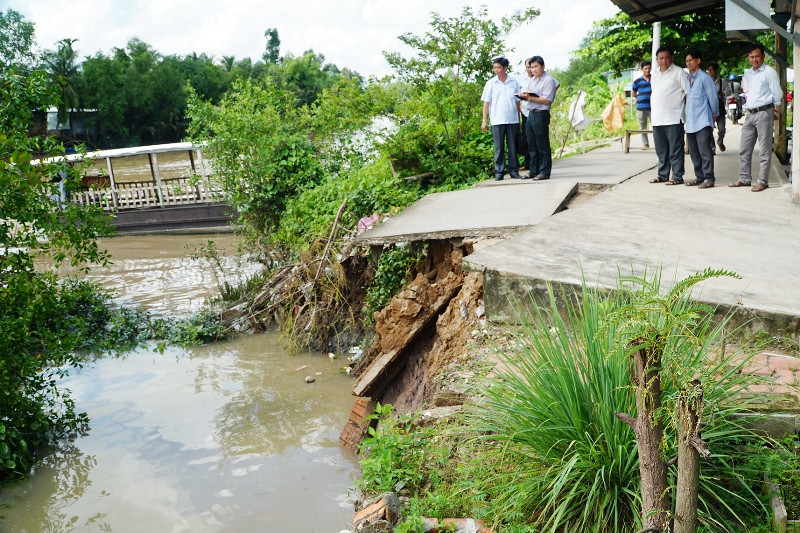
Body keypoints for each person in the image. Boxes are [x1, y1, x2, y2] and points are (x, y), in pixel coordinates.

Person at [731, 43, 782, 192]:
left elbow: (777, 93)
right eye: (751, 57)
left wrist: (776, 109)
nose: (754, 59)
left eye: (757, 56)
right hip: (750, 113)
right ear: (748, 58)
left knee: (764, 149)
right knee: (744, 148)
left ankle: (763, 181)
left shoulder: (769, 72)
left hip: (764, 113)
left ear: (763, 56)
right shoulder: (748, 74)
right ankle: (744, 178)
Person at [649, 46, 687, 185]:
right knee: (661, 150)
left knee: (676, 149)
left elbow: (688, 93)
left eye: (667, 57)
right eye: (661, 58)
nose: (664, 60)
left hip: (674, 117)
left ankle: (677, 176)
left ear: (672, 58)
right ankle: (662, 174)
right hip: (657, 118)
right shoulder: (654, 74)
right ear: (657, 59)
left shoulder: (679, 72)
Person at [481, 56, 522, 180]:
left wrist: (519, 118)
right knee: (499, 148)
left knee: (513, 146)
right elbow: (486, 103)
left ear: (505, 68)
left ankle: (514, 170)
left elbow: (517, 102)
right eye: (494, 68)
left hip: (512, 119)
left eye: (499, 67)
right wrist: (484, 120)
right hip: (497, 120)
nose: (496, 70)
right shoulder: (491, 83)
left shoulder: (514, 82)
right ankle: (499, 172)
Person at [518, 55, 557, 180]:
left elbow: (546, 100)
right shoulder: (532, 80)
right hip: (530, 113)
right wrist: (523, 96)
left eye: (536, 66)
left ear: (543, 66)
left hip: (541, 113)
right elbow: (529, 94)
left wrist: (530, 98)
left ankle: (544, 171)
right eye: (531, 67)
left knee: (542, 144)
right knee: (531, 144)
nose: (533, 70)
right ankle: (533, 170)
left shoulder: (548, 80)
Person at [684, 49, 718, 188]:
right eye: (686, 61)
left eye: (690, 60)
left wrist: (714, 115)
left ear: (698, 61)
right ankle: (700, 177)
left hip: (703, 120)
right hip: (691, 121)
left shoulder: (705, 78)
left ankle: (709, 178)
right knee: (694, 152)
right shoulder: (688, 78)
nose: (688, 63)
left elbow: (713, 98)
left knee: (705, 151)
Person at [706, 61, 731, 152]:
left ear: (716, 70)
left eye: (712, 70)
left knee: (722, 129)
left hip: (720, 109)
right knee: (709, 131)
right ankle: (712, 147)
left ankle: (720, 141)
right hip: (709, 110)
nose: (710, 72)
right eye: (708, 70)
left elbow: (728, 92)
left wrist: (722, 93)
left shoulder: (722, 82)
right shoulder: (706, 81)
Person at [631, 60, 653, 149]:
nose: (647, 70)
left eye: (649, 68)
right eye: (645, 68)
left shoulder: (654, 79)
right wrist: (640, 98)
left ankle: (659, 144)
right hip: (641, 108)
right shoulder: (637, 81)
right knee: (643, 127)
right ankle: (645, 143)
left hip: (653, 108)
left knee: (655, 126)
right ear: (642, 69)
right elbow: (633, 93)